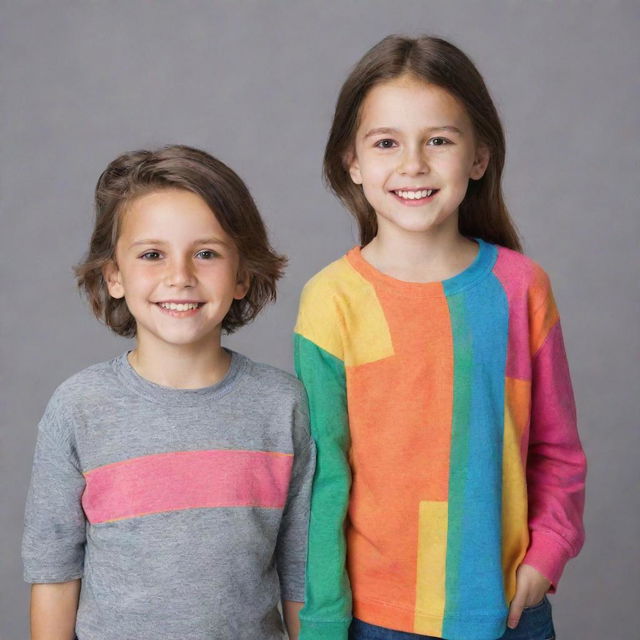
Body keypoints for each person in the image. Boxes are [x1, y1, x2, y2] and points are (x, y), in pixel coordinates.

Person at [294, 35, 586, 640]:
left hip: (509, 612)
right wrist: (322, 622)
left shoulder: (520, 288)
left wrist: (547, 553)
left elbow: (556, 448)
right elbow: (324, 477)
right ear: (352, 161)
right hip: (376, 620)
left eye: (439, 140)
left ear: (478, 156)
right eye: (386, 143)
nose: (413, 164)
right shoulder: (332, 300)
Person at [22, 145, 314, 640]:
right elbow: (53, 573)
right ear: (114, 275)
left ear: (242, 275)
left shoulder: (281, 406)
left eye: (206, 253)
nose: (180, 276)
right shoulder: (79, 409)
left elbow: (301, 571)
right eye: (152, 255)